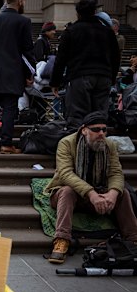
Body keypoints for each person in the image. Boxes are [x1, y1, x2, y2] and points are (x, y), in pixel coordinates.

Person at [45, 111, 137, 264]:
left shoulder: (110, 145)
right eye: (96, 129)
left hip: (99, 191)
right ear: (84, 130)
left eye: (104, 129)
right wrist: (91, 194)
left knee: (123, 193)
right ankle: (62, 239)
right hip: (70, 194)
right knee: (68, 191)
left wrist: (112, 194)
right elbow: (65, 174)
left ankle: (133, 239)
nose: (101, 133)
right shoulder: (66, 143)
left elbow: (116, 173)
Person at [49, 0, 119, 128]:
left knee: (78, 116)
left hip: (79, 76)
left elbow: (61, 59)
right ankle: (98, 145)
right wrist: (113, 77)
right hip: (103, 76)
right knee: (99, 115)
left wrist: (55, 82)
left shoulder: (71, 31)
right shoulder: (107, 31)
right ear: (94, 12)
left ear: (77, 13)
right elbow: (116, 57)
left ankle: (80, 145)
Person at [0, 0, 35, 154]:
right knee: (10, 108)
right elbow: (27, 50)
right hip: (13, 72)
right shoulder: (23, 22)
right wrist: (30, 72)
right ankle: (5, 144)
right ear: (19, 0)